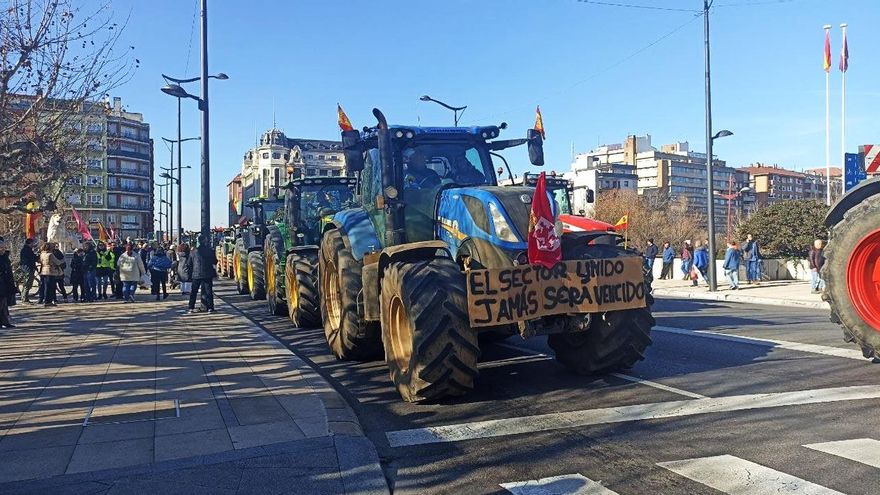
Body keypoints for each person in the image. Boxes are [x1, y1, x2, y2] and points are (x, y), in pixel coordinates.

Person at [185, 235, 216, 313]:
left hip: (196, 274)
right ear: (205, 241)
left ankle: (191, 307)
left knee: (194, 292)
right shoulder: (210, 250)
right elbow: (215, 261)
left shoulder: (193, 251)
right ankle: (210, 308)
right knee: (208, 291)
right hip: (207, 273)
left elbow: (189, 263)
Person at [0, 238, 19, 327]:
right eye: (1, 248)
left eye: (3, 247)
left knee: (4, 303)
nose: (2, 249)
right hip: (2, 283)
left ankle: (5, 321)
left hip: (5, 283)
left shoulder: (5, 257)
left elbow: (8, 271)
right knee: (2, 302)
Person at [18, 238, 38, 303]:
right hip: (28, 268)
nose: (33, 244)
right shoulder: (27, 250)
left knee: (27, 283)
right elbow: (32, 258)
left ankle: (24, 298)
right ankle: (25, 299)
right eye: (32, 243)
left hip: (25, 267)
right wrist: (37, 257)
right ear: (30, 243)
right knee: (27, 283)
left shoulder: (25, 249)